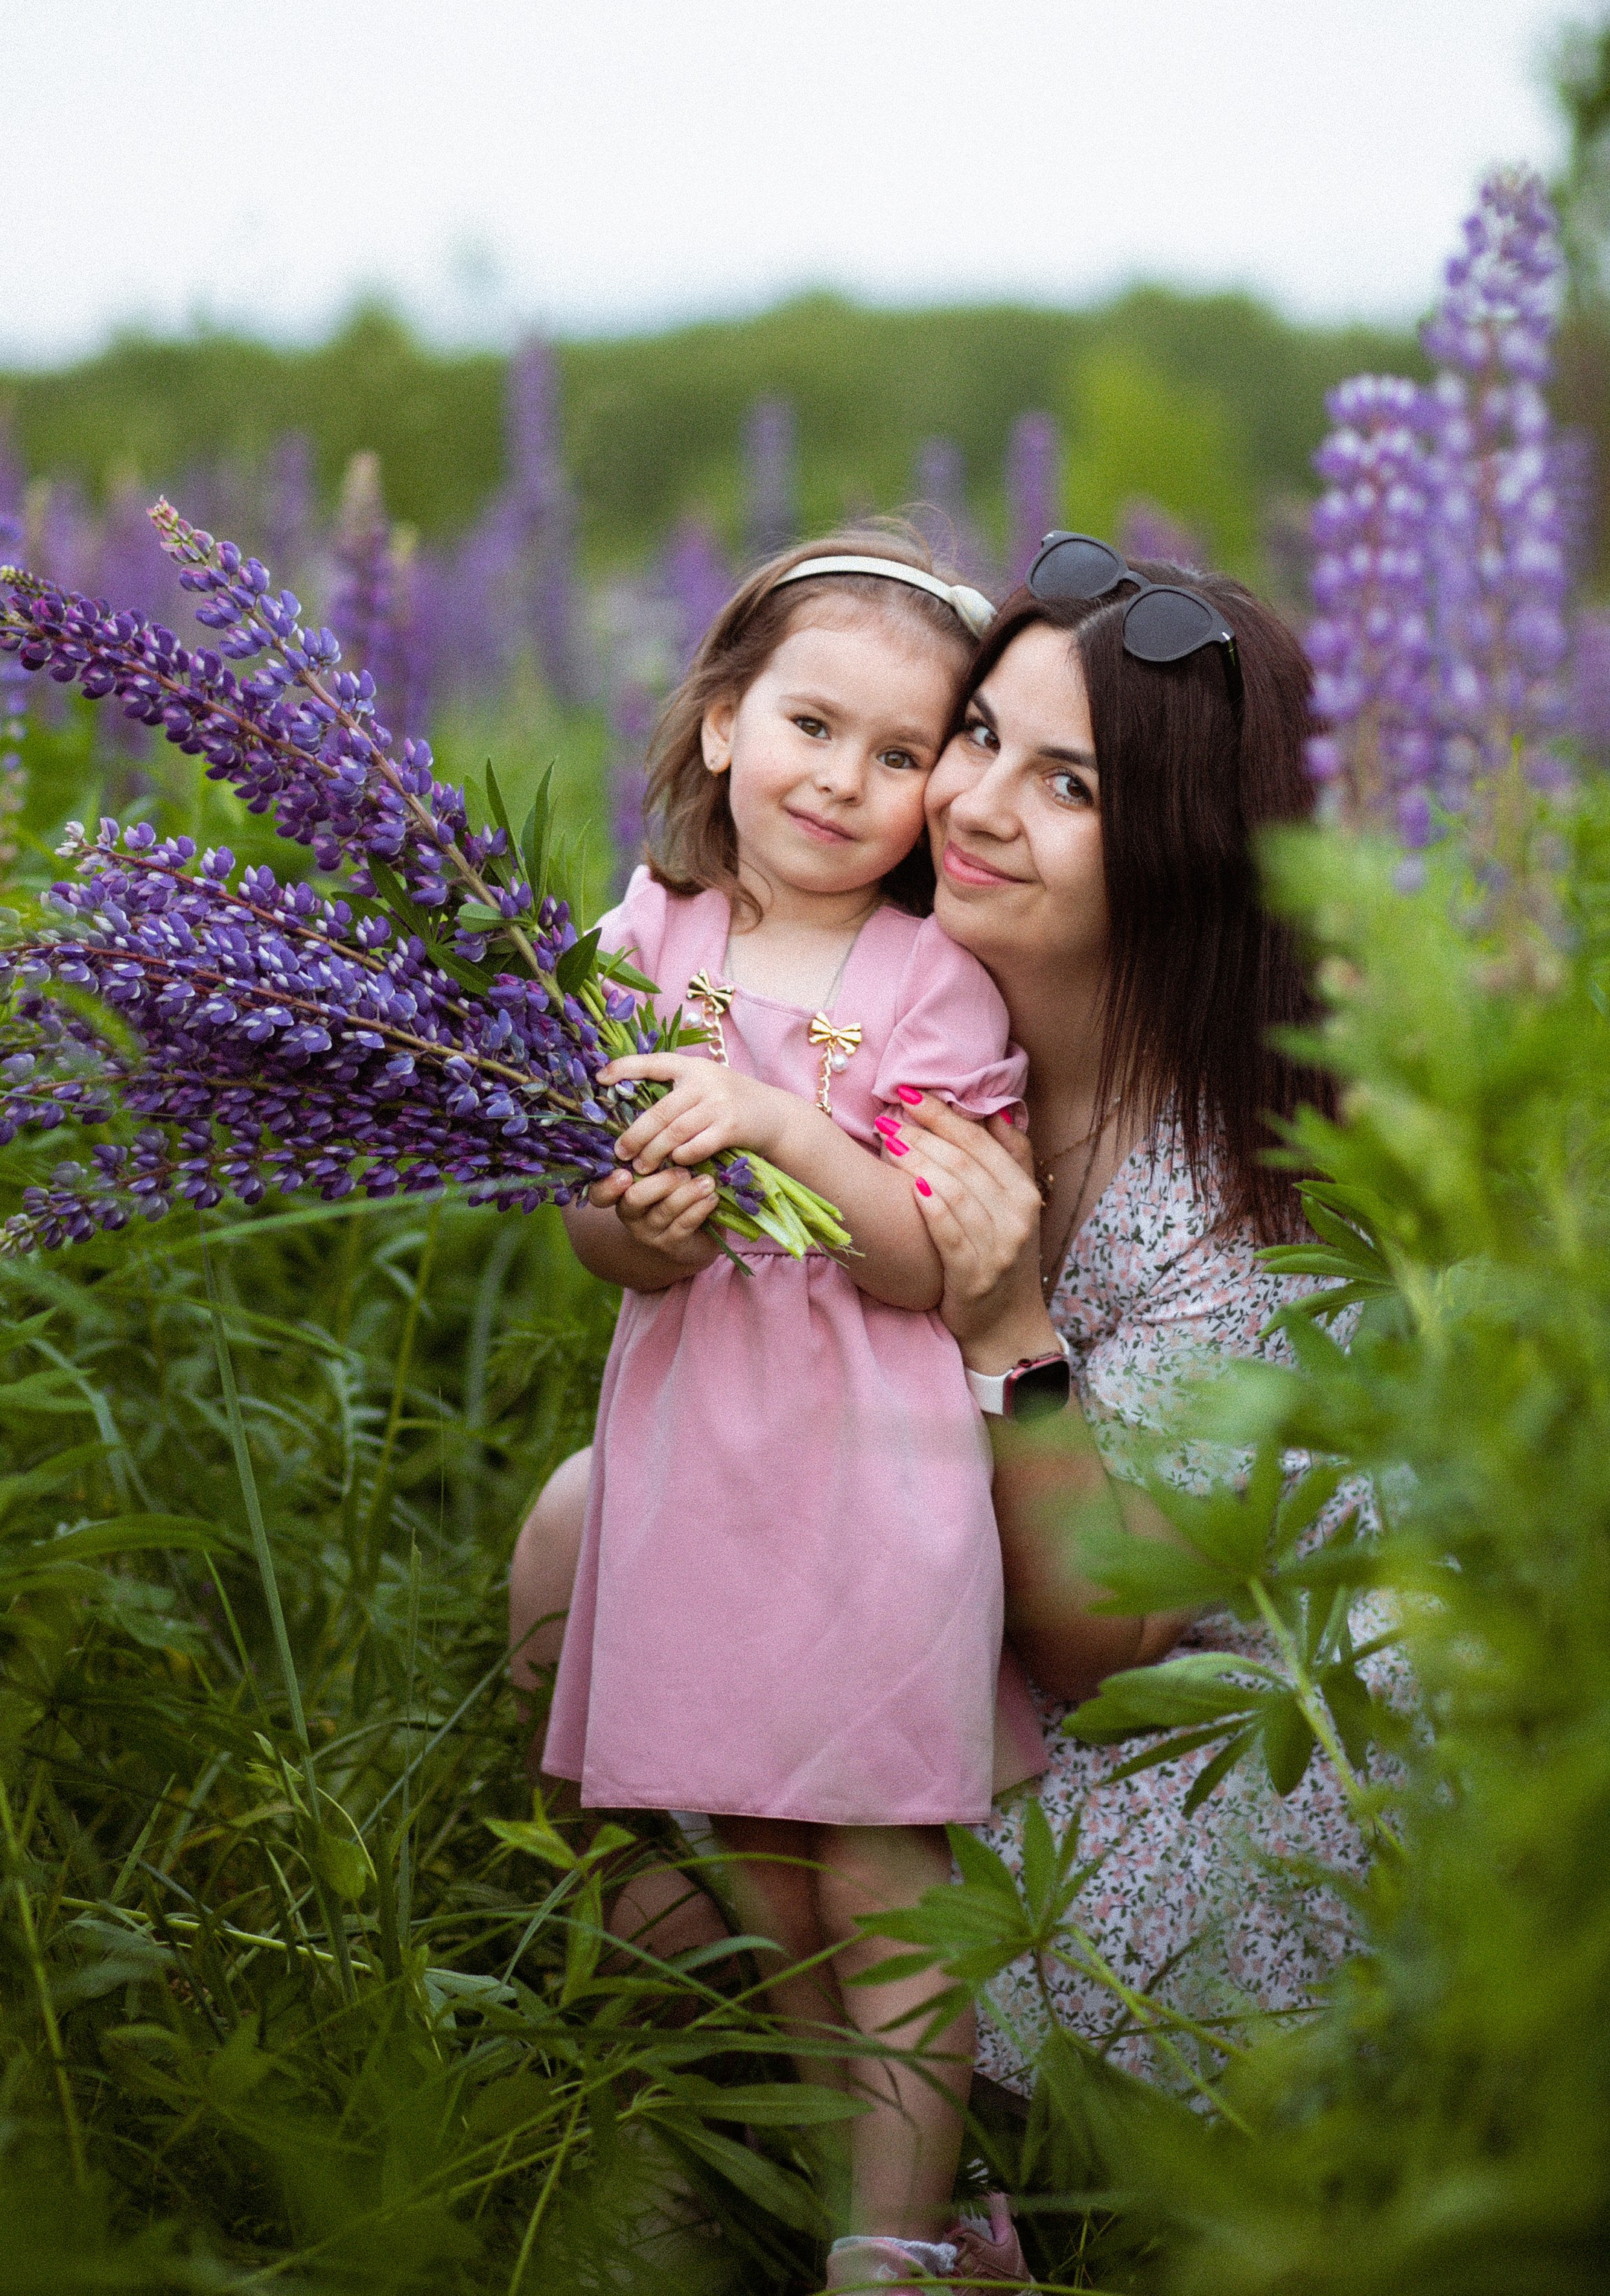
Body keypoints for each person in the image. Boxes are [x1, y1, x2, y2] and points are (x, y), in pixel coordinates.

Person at [512, 535, 1366, 2130]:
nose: (971, 804)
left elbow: (1104, 1646)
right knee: (582, 1528)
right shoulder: (886, 998)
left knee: (839, 1882)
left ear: (1184, 852)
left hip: (1181, 1734)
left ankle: (889, 2137)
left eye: (1069, 786)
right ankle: (725, 2097)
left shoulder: (1244, 1186)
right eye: (974, 737)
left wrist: (1008, 1329)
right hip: (921, 1601)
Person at [534, 529, 1042, 2291]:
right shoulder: (635, 940)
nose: (840, 779)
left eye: (898, 755)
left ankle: (889, 2246)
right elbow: (596, 1232)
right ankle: (859, 2186)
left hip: (873, 1481)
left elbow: (922, 1263)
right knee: (755, 1855)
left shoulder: (932, 987)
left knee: (881, 1857)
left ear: (933, 794)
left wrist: (772, 1124)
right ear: (722, 724)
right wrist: (648, 1229)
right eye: (810, 726)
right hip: (700, 1462)